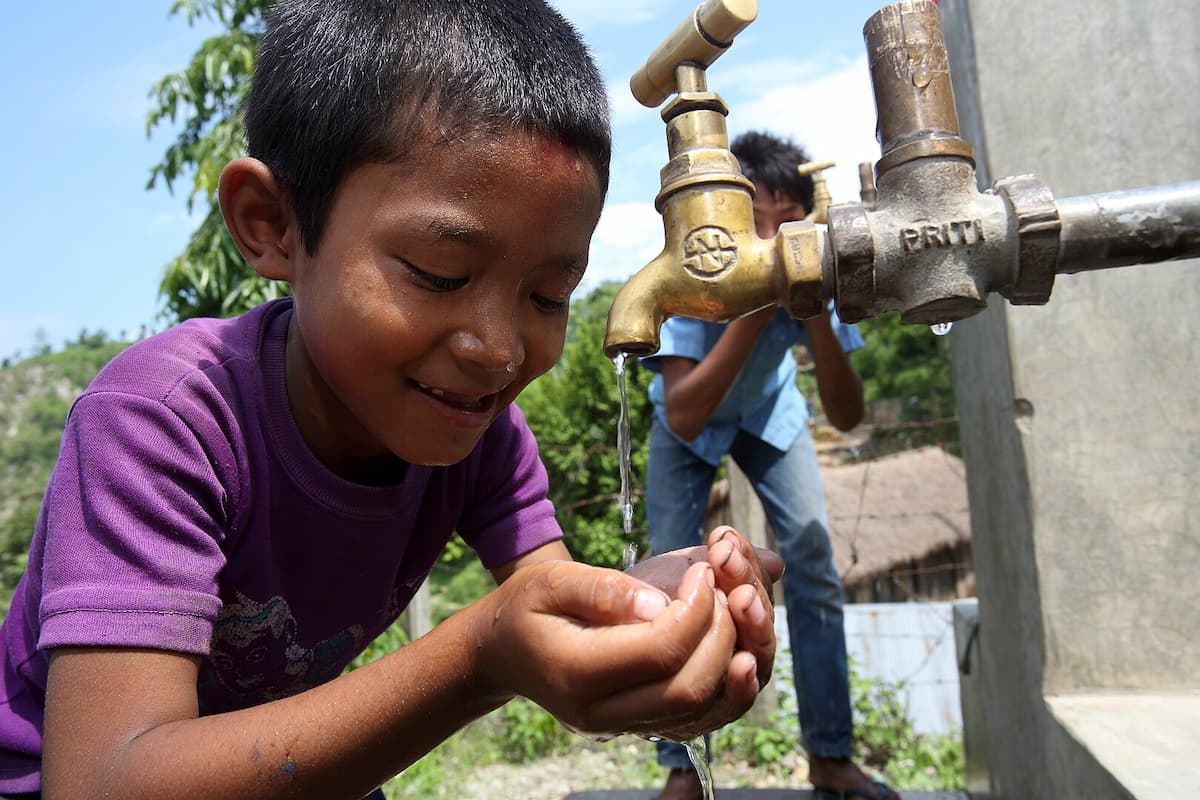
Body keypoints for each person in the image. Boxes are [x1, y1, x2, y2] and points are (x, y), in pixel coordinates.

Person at [0, 4, 785, 798]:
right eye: (440, 273)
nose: (499, 348)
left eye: (549, 295)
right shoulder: (164, 422)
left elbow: (549, 602)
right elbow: (102, 780)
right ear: (272, 224)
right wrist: (476, 661)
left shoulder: (482, 435)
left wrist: (666, 612)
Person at [642, 131, 898, 800]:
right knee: (673, 580)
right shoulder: (695, 261)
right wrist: (757, 305)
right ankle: (681, 768)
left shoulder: (813, 266)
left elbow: (845, 415)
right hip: (686, 426)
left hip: (770, 413)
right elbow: (687, 413)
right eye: (759, 224)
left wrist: (812, 309)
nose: (773, 243)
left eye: (787, 228)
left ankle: (830, 756)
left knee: (813, 567)